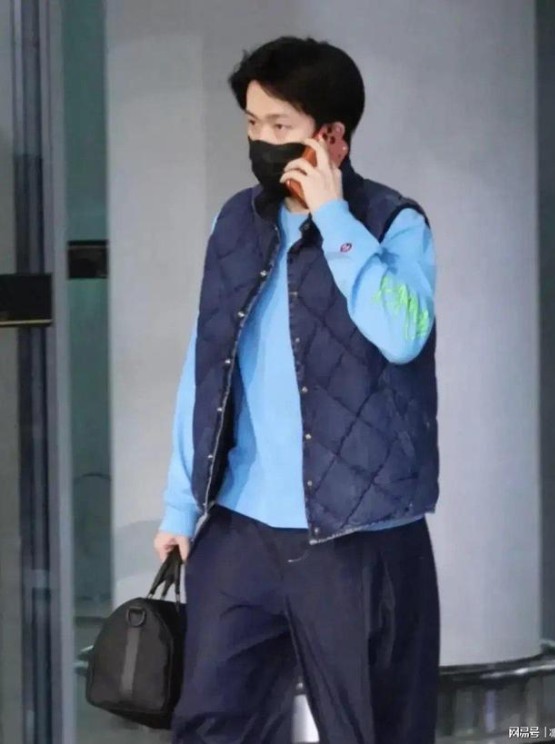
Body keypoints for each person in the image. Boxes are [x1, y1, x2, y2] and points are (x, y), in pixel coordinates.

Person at [154, 35, 440, 744]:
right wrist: (181, 506)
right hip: (239, 531)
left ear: (331, 136)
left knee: (371, 728)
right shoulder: (235, 222)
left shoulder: (393, 223)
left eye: (280, 125)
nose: (261, 141)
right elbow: (206, 367)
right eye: (253, 124)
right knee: (212, 723)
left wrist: (333, 220)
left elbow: (402, 334)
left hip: (357, 535)